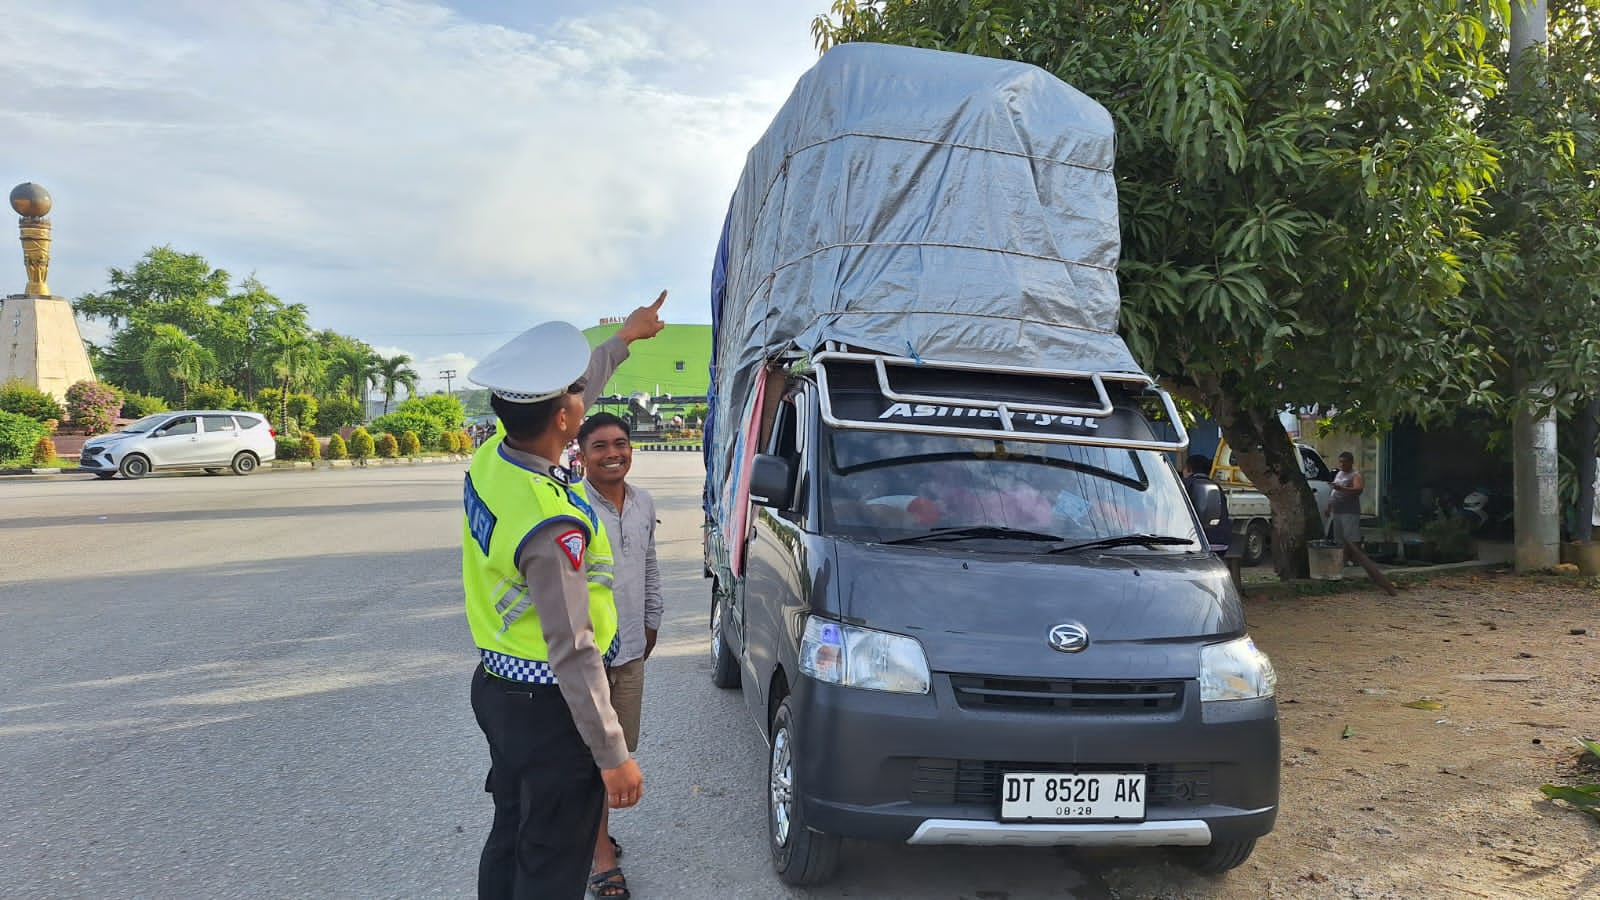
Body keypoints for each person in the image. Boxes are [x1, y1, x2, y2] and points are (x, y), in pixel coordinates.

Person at [461, 292, 666, 900]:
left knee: (514, 833)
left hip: (499, 688)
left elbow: (568, 396)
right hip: (553, 708)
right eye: (575, 394)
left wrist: (624, 339)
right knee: (552, 863)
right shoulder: (553, 527)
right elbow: (573, 650)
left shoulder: (492, 459)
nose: (584, 396)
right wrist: (612, 754)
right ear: (565, 420)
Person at [577, 412, 662, 900]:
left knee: (618, 749)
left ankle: (594, 832)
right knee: (594, 758)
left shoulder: (643, 502)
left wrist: (652, 622)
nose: (613, 453)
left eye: (622, 443)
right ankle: (601, 858)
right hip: (585, 656)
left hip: (630, 649)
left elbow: (649, 566)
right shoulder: (570, 505)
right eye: (600, 446)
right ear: (582, 454)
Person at [1181, 454, 1231, 555]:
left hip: (1198, 545)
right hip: (1221, 544)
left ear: (1189, 469)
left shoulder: (1185, 484)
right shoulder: (1216, 487)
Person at [1328, 451, 1364, 564]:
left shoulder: (1355, 475)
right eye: (1341, 462)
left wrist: (1342, 489)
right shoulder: (1339, 474)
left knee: (1351, 537)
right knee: (1339, 537)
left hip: (1349, 511)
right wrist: (1329, 507)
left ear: (1351, 462)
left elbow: (1358, 490)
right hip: (1337, 511)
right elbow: (1334, 492)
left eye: (1345, 462)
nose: (1342, 465)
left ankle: (1355, 559)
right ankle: (1343, 558)